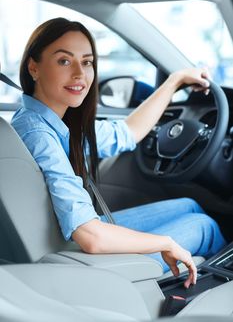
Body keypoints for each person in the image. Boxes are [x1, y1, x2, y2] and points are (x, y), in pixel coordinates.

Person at [11, 17, 226, 288]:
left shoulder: (46, 122)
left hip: (62, 236)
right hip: (69, 253)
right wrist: (166, 243)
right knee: (203, 225)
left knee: (189, 205)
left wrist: (175, 81)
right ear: (34, 67)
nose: (80, 73)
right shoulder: (38, 135)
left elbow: (128, 132)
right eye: (64, 61)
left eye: (87, 62)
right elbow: (91, 236)